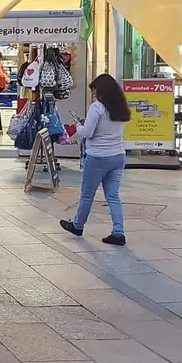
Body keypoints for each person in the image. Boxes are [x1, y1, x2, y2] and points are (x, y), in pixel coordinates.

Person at [59, 74, 130, 246]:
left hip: (98, 157)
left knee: (87, 194)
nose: (93, 94)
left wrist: (77, 125)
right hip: (118, 155)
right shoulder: (119, 107)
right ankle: (118, 232)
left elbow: (87, 133)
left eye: (94, 91)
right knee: (113, 196)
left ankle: (77, 225)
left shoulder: (96, 108)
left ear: (101, 91)